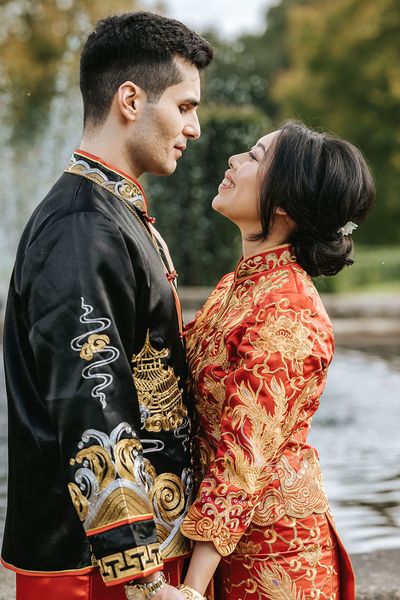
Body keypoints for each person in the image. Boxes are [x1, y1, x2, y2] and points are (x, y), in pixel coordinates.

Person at [1, 12, 213, 600]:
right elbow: (89, 396)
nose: (194, 127)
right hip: (92, 567)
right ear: (130, 99)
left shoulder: (111, 211)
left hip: (131, 547)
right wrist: (141, 575)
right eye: (185, 106)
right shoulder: (81, 225)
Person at [179, 120, 374, 600]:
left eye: (254, 156)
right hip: (224, 544)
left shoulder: (287, 310)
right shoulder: (237, 286)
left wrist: (189, 589)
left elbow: (242, 458)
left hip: (275, 560)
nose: (233, 160)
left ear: (284, 203)